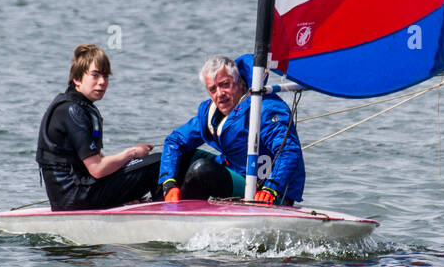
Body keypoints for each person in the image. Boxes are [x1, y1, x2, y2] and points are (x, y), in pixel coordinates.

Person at [159, 55, 305, 205]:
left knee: (202, 170)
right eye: (213, 89)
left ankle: (181, 215)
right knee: (163, 161)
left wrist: (272, 187)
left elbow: (289, 150)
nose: (220, 94)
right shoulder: (210, 112)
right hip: (234, 173)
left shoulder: (266, 108)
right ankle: (162, 202)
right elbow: (174, 141)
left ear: (240, 83)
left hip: (268, 192)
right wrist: (168, 183)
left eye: (225, 84)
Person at [36, 43, 160, 210]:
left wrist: (133, 163)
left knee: (144, 161)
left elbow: (96, 160)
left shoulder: (80, 106)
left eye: (106, 76)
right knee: (158, 162)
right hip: (76, 197)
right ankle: (163, 210)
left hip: (75, 195)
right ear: (77, 79)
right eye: (95, 75)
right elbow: (97, 169)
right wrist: (131, 153)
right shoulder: (72, 111)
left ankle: (141, 202)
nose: (102, 82)